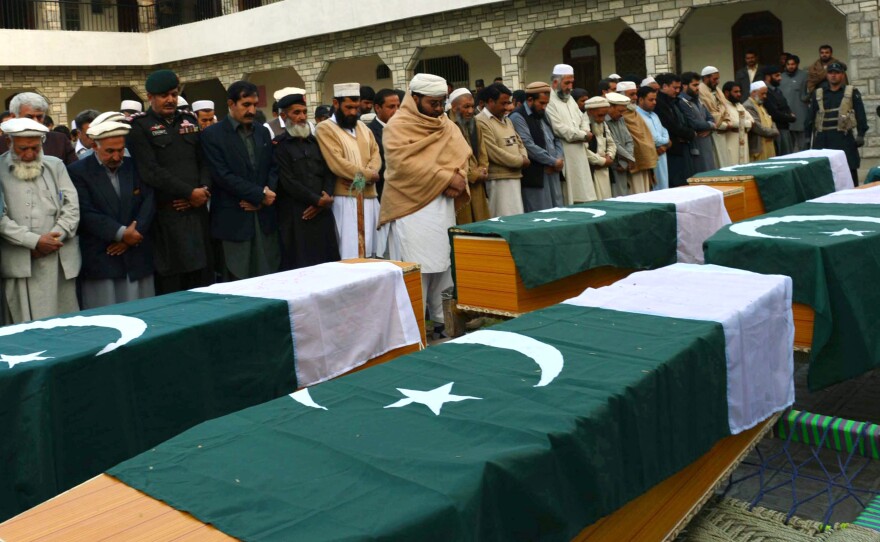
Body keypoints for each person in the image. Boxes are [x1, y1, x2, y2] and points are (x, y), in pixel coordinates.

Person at [378, 73, 471, 339]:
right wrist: (447, 177)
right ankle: (413, 326)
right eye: (433, 103)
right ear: (415, 98)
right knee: (417, 267)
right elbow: (403, 166)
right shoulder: (397, 127)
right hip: (411, 206)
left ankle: (444, 321)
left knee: (443, 265)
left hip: (442, 206)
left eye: (441, 102)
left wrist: (460, 178)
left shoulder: (444, 124)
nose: (439, 108)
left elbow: (461, 153)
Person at [127, 69, 213, 294]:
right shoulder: (140, 127)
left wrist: (203, 190)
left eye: (174, 94)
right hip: (166, 217)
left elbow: (203, 160)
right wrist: (188, 193)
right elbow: (150, 172)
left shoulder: (189, 120)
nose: (170, 100)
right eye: (164, 95)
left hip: (197, 212)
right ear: (150, 97)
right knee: (173, 282)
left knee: (202, 278)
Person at [68, 114, 155, 309]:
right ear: (94, 147)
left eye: (120, 150)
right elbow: (86, 212)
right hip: (102, 258)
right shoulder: (77, 172)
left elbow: (148, 201)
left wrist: (135, 234)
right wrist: (121, 234)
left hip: (137, 255)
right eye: (109, 151)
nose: (117, 157)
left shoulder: (134, 166)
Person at [0, 118, 80, 323]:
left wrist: (54, 238)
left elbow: (72, 207)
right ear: (10, 143)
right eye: (22, 148)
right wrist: (33, 242)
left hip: (58, 255)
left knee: (64, 324)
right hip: (21, 259)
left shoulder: (56, 166)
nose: (29, 154)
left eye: (35, 148)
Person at [201, 81, 280, 280]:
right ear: (231, 103)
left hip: (263, 218)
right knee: (238, 280)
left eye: (254, 105)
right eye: (246, 105)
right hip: (234, 218)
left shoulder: (261, 131)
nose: (252, 110)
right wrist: (258, 195)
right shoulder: (213, 135)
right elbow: (222, 175)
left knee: (268, 275)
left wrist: (267, 194)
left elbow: (273, 166)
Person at [272, 89, 340, 270]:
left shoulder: (316, 142)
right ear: (284, 116)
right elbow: (288, 182)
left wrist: (325, 198)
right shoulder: (280, 146)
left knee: (329, 265)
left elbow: (329, 171)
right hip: (298, 216)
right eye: (296, 113)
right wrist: (316, 200)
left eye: (304, 112)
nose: (302, 117)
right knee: (302, 266)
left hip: (322, 212)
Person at [315, 82, 382, 258]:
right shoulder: (325, 128)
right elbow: (338, 164)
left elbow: (376, 154)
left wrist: (365, 177)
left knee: (371, 253)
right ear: (336, 104)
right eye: (348, 107)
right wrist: (368, 175)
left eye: (356, 107)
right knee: (351, 254)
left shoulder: (362, 127)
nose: (353, 112)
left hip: (370, 198)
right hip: (346, 199)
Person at [807, 61, 868, 185]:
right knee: (823, 173)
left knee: (849, 172)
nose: (833, 75)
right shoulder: (819, 93)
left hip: (843, 138)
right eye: (830, 73)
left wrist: (861, 134)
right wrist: (807, 137)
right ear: (827, 75)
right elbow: (810, 117)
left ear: (842, 75)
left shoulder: (851, 92)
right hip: (823, 140)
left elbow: (861, 114)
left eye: (837, 73)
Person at [510, 82, 564, 211]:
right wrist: (553, 161)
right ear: (530, 99)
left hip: (553, 171)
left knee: (557, 211)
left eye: (546, 103)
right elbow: (528, 145)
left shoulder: (543, 114)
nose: (544, 107)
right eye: (541, 103)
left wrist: (559, 158)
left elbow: (556, 138)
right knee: (541, 214)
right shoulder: (518, 116)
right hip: (536, 175)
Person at [546, 64, 596, 203]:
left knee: (585, 194)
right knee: (570, 196)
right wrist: (582, 135)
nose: (570, 87)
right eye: (566, 83)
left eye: (571, 83)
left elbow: (583, 118)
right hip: (565, 151)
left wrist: (586, 130)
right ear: (555, 82)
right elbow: (558, 128)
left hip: (580, 151)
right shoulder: (549, 100)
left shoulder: (570, 98)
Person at [476, 83, 528, 217]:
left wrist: (523, 156)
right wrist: (520, 161)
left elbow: (519, 142)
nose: (507, 107)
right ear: (490, 102)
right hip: (498, 179)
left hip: (515, 176)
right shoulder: (481, 121)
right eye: (503, 103)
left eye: (508, 103)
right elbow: (493, 152)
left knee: (517, 218)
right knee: (502, 218)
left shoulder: (507, 120)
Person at [448, 88, 490, 224]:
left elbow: (483, 152)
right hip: (460, 186)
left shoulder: (475, 123)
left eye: (472, 106)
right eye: (466, 107)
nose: (471, 111)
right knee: (464, 226)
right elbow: (450, 158)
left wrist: (483, 169)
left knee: (481, 224)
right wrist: (472, 175)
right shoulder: (447, 126)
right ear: (454, 107)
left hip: (478, 185)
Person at [1, 93, 78, 165]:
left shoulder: (60, 140)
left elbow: (73, 172)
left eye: (39, 117)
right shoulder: (2, 143)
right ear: (14, 117)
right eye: (29, 117)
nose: (35, 121)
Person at [654, 73, 695, 187]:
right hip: (670, 148)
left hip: (679, 147)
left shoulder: (674, 101)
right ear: (664, 86)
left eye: (679, 88)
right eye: (675, 88)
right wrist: (690, 133)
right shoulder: (660, 103)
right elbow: (671, 125)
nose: (677, 91)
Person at [616, 81, 657, 194]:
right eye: (631, 94)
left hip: (644, 162)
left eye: (636, 94)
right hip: (631, 164)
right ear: (620, 95)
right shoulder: (619, 115)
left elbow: (645, 136)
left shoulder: (635, 113)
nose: (635, 97)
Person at [678, 71, 716, 173]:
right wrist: (711, 125)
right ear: (684, 86)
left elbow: (711, 118)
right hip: (696, 144)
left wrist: (710, 128)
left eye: (698, 84)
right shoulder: (682, 102)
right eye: (694, 85)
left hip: (706, 142)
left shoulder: (698, 100)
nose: (697, 88)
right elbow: (694, 124)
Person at [367, 88, 400, 199]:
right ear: (377, 108)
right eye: (391, 107)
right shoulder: (369, 133)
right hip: (383, 195)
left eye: (398, 106)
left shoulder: (405, 129)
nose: (396, 111)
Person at [698, 66, 734, 167]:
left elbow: (724, 108)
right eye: (715, 79)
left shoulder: (717, 90)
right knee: (715, 162)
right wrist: (721, 117)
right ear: (705, 78)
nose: (717, 81)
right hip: (711, 133)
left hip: (721, 132)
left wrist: (724, 119)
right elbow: (709, 113)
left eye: (718, 78)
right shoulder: (700, 91)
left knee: (724, 161)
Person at [636, 86, 670, 190]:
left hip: (662, 156)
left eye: (655, 99)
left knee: (664, 187)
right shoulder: (637, 116)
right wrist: (666, 142)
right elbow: (654, 139)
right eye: (651, 100)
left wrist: (664, 143)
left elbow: (665, 131)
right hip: (649, 156)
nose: (654, 102)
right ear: (641, 100)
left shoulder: (655, 115)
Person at [583, 96, 617, 200]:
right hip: (592, 170)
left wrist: (610, 156)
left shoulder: (603, 123)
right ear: (590, 112)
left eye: (604, 115)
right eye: (600, 115)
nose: (602, 119)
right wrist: (602, 161)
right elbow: (583, 150)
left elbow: (612, 143)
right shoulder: (583, 126)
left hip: (605, 169)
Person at [761, 64, 796, 156]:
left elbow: (785, 106)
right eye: (777, 75)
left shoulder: (777, 91)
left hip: (784, 128)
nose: (780, 78)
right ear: (768, 77)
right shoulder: (766, 92)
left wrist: (789, 115)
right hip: (776, 130)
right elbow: (774, 113)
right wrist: (790, 117)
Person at [605, 92, 635, 197]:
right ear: (610, 107)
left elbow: (629, 140)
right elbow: (614, 144)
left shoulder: (621, 119)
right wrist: (629, 159)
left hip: (623, 164)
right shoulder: (604, 121)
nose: (622, 114)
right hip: (613, 166)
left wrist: (627, 161)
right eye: (620, 111)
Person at [780, 55, 810, 152]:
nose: (790, 66)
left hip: (801, 114)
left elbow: (809, 92)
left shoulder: (804, 75)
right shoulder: (781, 77)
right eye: (788, 64)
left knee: (803, 145)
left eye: (793, 64)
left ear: (797, 64)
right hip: (786, 116)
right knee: (788, 147)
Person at [744, 81, 779, 161]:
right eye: (762, 94)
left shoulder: (760, 105)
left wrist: (774, 129)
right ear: (753, 93)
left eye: (765, 93)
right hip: (759, 147)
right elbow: (757, 127)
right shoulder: (748, 106)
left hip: (769, 144)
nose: (765, 96)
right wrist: (774, 132)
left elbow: (770, 120)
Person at [721, 82, 753, 165]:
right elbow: (729, 123)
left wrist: (740, 125)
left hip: (743, 144)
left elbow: (752, 121)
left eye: (739, 91)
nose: (739, 94)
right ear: (727, 93)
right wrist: (744, 125)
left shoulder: (739, 105)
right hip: (731, 144)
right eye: (736, 92)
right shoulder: (722, 106)